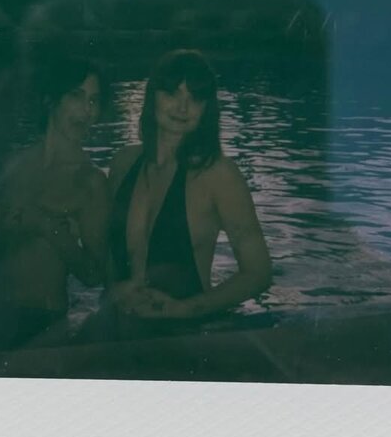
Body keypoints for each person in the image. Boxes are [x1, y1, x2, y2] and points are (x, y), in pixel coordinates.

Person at [91, 49, 272, 339]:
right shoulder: (123, 163)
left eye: (195, 98)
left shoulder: (218, 175)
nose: (183, 107)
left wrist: (184, 309)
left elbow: (258, 272)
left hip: (182, 334)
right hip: (119, 326)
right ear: (153, 95)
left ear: (207, 108)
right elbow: (112, 254)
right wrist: (112, 290)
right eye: (172, 93)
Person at [0, 56, 109, 351]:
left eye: (94, 100)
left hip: (45, 320)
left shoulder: (90, 182)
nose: (87, 110)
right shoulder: (16, 163)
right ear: (51, 100)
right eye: (76, 96)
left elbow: (95, 275)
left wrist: (48, 228)